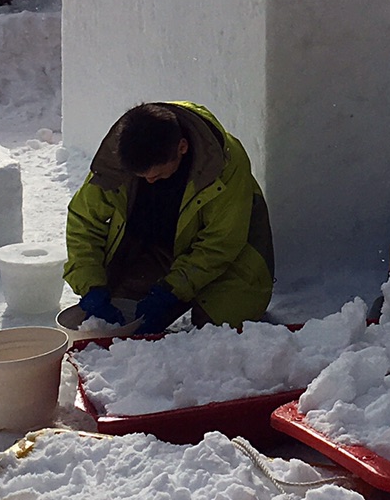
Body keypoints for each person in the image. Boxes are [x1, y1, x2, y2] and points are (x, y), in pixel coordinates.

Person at [64, 101, 274, 337]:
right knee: (122, 306)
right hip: (161, 251)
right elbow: (84, 223)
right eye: (142, 177)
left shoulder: (224, 163)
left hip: (233, 255)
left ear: (182, 148)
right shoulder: (117, 161)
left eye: (159, 174)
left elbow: (221, 243)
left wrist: (172, 290)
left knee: (217, 330)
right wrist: (91, 286)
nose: (150, 181)